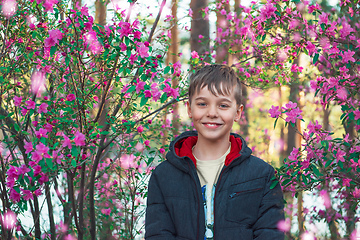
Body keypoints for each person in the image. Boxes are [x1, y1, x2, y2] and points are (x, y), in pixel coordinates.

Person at [145, 64, 284, 240]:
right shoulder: (163, 176)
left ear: (238, 112)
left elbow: (270, 234)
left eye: (223, 105)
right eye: (202, 104)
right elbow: (158, 234)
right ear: (189, 108)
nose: (212, 113)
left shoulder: (262, 175)